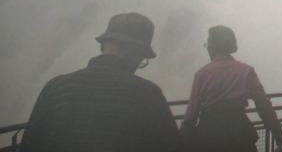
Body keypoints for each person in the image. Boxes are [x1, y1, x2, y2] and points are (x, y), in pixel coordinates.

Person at [20, 12, 181, 152]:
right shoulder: (149, 94)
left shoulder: (56, 87)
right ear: (137, 53)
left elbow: (30, 145)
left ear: (103, 45)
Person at [180, 25, 282, 152]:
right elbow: (264, 107)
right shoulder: (247, 71)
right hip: (240, 135)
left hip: (209, 136)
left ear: (213, 47)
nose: (207, 48)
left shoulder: (201, 74)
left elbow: (191, 116)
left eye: (207, 44)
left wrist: (180, 144)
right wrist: (279, 136)